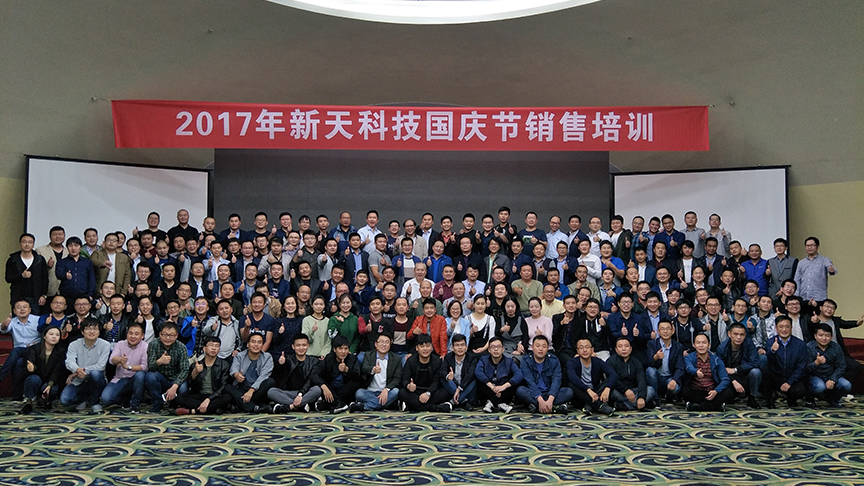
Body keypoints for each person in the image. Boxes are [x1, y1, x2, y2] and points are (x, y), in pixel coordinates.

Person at [61, 317, 111, 412]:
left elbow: (101, 366)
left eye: (95, 329)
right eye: (88, 329)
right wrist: (77, 369)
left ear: (99, 332)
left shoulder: (105, 345)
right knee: (65, 400)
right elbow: (69, 361)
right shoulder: (74, 344)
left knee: (95, 373)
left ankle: (95, 401)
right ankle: (84, 398)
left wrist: (80, 371)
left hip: (96, 378)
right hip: (79, 379)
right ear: (82, 332)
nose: (92, 331)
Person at [173, 335, 232, 415]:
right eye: (211, 345)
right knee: (179, 398)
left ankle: (193, 411)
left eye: (217, 346)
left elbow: (223, 386)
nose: (214, 348)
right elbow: (190, 386)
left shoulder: (224, 365)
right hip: (199, 395)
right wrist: (195, 372)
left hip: (215, 396)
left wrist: (209, 399)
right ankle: (213, 409)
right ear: (204, 348)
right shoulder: (196, 364)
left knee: (227, 398)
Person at [516, 335, 573, 414]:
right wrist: (540, 399)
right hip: (534, 394)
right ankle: (554, 407)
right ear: (532, 347)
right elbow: (530, 382)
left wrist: (550, 399)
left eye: (544, 346)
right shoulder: (526, 361)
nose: (540, 349)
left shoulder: (554, 360)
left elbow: (556, 380)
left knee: (568, 391)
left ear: (547, 348)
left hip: (550, 393)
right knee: (520, 390)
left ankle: (537, 407)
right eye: (537, 346)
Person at [100, 320, 149, 412]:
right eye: (130, 333)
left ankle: (135, 403)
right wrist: (119, 360)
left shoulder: (145, 346)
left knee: (141, 375)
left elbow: (144, 366)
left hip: (135, 379)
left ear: (142, 336)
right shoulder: (120, 344)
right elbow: (112, 359)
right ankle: (126, 399)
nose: (133, 336)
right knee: (105, 399)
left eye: (136, 334)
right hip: (120, 378)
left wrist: (129, 367)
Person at [761, 315, 809, 408]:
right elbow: (768, 362)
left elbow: (802, 367)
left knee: (801, 389)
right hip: (776, 377)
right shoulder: (770, 342)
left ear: (791, 328)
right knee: (763, 374)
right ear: (776, 328)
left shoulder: (800, 344)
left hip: (792, 378)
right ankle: (771, 397)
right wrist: (773, 351)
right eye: (781, 327)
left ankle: (791, 398)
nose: (784, 329)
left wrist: (789, 382)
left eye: (787, 327)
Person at [268, 333, 322, 413]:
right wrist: (281, 364)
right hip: (289, 393)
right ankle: (301, 406)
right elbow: (278, 375)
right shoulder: (287, 359)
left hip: (305, 392)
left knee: (317, 389)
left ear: (308, 346)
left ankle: (290, 406)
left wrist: (300, 394)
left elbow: (311, 380)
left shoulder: (314, 361)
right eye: (298, 345)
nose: (301, 348)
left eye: (304, 345)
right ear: (293, 346)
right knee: (271, 391)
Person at [399, 334, 452, 412]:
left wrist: (428, 393)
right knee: (402, 393)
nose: (425, 349)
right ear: (417, 348)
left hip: (431, 392)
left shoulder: (437, 361)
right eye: (422, 346)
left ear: (432, 347)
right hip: (415, 391)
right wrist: (408, 385)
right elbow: (404, 379)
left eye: (427, 346)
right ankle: (436, 408)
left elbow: (436, 381)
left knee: (445, 393)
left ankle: (412, 406)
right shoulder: (411, 360)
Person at [145, 321, 190, 413]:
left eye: (171, 335)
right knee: (150, 376)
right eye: (165, 334)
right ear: (160, 334)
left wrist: (174, 386)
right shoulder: (153, 344)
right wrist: (159, 362)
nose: (168, 338)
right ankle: (158, 403)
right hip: (161, 378)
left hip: (175, 379)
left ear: (176, 336)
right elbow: (150, 367)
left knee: (183, 388)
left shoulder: (181, 347)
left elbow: (185, 370)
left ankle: (174, 403)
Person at [310, 336, 362, 413]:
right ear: (334, 349)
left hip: (345, 391)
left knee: (355, 382)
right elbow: (314, 374)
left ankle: (332, 403)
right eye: (340, 349)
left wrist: (346, 370)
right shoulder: (329, 358)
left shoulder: (352, 359)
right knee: (318, 381)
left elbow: (359, 376)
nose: (343, 352)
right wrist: (323, 386)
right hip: (330, 390)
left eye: (346, 349)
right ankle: (339, 403)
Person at [0, 300, 42, 397]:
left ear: (30, 309)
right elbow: (3, 330)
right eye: (18, 307)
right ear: (14, 311)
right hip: (21, 353)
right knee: (18, 362)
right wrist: (4, 325)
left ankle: (1, 376)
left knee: (16, 351)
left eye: (25, 307)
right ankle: (17, 394)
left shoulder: (38, 320)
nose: (22, 309)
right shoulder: (13, 321)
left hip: (35, 351)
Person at [715, 322, 762, 408]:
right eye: (735, 334)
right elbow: (720, 369)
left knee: (756, 372)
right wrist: (733, 381)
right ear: (729, 334)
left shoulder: (749, 344)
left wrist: (736, 369)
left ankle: (752, 398)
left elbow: (755, 362)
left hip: (744, 374)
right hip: (729, 378)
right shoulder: (722, 348)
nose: (738, 337)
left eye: (741, 335)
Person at [225, 331, 275, 413]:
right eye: (253, 342)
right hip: (242, 389)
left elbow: (264, 376)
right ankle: (255, 407)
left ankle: (242, 406)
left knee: (270, 381)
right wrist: (236, 375)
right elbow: (234, 368)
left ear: (262, 345)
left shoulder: (267, 357)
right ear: (248, 344)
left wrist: (251, 390)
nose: (256, 345)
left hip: (257, 390)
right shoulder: (240, 355)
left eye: (259, 342)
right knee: (228, 387)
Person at [352, 333, 402, 412]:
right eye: (381, 342)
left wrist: (386, 389)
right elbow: (364, 369)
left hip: (386, 392)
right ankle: (386, 404)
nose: (384, 345)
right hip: (370, 391)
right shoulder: (368, 355)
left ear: (390, 345)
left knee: (396, 391)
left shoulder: (396, 359)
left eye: (387, 342)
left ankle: (365, 407)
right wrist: (373, 370)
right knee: (359, 393)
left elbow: (397, 378)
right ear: (376, 344)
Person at [682, 333, 733, 412]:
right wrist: (696, 372)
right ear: (694, 345)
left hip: (712, 391)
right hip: (696, 390)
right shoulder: (689, 357)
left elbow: (725, 379)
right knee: (684, 391)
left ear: (709, 345)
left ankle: (698, 407)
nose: (701, 345)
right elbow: (689, 368)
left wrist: (716, 391)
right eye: (698, 343)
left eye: (704, 343)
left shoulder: (716, 360)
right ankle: (715, 406)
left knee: (728, 392)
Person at [19, 326, 64, 414]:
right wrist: (32, 367)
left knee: (53, 389)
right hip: (36, 376)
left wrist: (50, 385)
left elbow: (57, 370)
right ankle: (29, 402)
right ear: (44, 336)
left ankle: (45, 400)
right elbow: (30, 362)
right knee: (33, 379)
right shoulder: (34, 348)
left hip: (49, 379)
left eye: (57, 335)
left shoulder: (60, 351)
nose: (54, 337)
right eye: (51, 334)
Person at [566, 338, 617, 416]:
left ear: (592, 349)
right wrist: (588, 390)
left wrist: (607, 388)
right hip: (581, 396)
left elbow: (613, 374)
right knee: (571, 384)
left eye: (587, 347)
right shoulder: (572, 362)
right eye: (581, 348)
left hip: (596, 393)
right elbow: (572, 377)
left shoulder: (597, 361)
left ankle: (589, 405)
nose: (584, 350)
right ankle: (600, 406)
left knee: (609, 380)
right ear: (577, 351)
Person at [474, 336, 522, 413]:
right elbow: (478, 372)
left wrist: (504, 386)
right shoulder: (483, 359)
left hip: (503, 391)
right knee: (480, 379)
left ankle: (492, 404)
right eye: (493, 347)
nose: (496, 349)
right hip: (488, 390)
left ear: (503, 349)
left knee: (514, 380)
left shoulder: (509, 361)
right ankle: (499, 404)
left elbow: (519, 375)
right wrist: (492, 386)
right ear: (489, 350)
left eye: (498, 347)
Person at [607, 337, 654, 411]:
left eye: (626, 346)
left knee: (650, 390)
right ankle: (639, 404)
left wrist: (641, 397)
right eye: (620, 346)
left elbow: (641, 380)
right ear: (616, 349)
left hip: (634, 391)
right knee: (612, 392)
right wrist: (625, 390)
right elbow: (613, 380)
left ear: (631, 348)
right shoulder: (611, 361)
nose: (623, 349)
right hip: (619, 391)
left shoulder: (636, 362)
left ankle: (625, 406)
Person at [6, 233, 48, 311]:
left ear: (33, 244)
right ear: (20, 244)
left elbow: (45, 278)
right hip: (18, 296)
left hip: (35, 297)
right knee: (18, 317)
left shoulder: (39, 259)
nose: (27, 244)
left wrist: (43, 295)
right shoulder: (13, 259)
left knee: (35, 317)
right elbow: (8, 278)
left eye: (30, 242)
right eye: (24, 242)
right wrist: (21, 276)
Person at [646, 320, 684, 403]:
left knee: (676, 388)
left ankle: (669, 397)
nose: (665, 331)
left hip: (670, 377)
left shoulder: (678, 346)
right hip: (657, 376)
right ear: (658, 331)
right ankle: (655, 399)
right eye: (662, 329)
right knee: (650, 371)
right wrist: (656, 357)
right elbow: (649, 363)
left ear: (672, 331)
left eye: (668, 329)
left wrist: (674, 380)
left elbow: (680, 366)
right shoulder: (652, 344)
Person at [794, 236, 836, 304]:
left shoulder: (824, 260)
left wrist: (831, 270)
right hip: (804, 298)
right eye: (807, 245)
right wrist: (796, 296)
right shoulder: (801, 262)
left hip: (819, 298)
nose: (809, 247)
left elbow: (830, 268)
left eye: (812, 245)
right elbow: (797, 280)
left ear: (817, 247)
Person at [440, 333, 477, 410]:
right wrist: (448, 376)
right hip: (453, 386)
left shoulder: (472, 358)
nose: (460, 348)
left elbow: (470, 374)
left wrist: (459, 388)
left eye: (462, 345)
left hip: (465, 388)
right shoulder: (448, 357)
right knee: (444, 379)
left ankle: (452, 402)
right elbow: (442, 371)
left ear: (466, 347)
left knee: (474, 380)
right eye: (457, 345)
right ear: (452, 348)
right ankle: (463, 401)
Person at [55, 236, 96, 304]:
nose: (73, 248)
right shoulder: (62, 262)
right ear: (67, 248)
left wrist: (90, 294)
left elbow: (92, 279)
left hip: (84, 295)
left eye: (76, 246)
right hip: (66, 295)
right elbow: (58, 274)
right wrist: (65, 275)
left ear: (80, 247)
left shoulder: (87, 262)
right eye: (70, 246)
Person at [35, 226, 69, 301]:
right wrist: (46, 265)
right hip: (47, 291)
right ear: (50, 237)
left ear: (64, 236)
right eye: (55, 234)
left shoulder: (69, 251)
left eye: (60, 234)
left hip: (66, 290)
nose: (58, 236)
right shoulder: (40, 250)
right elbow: (36, 270)